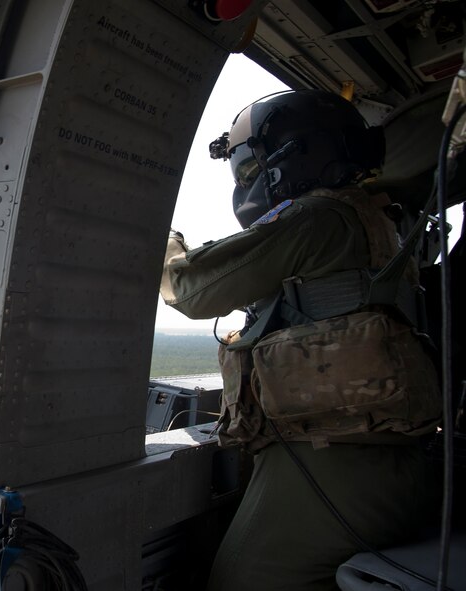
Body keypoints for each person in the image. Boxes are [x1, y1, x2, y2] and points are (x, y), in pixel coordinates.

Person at [160, 90, 441, 590]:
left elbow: (192, 290)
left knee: (242, 581)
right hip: (391, 458)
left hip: (335, 461)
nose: (247, 183)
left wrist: (167, 245)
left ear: (293, 157)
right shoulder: (382, 221)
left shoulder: (318, 216)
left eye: (250, 169)